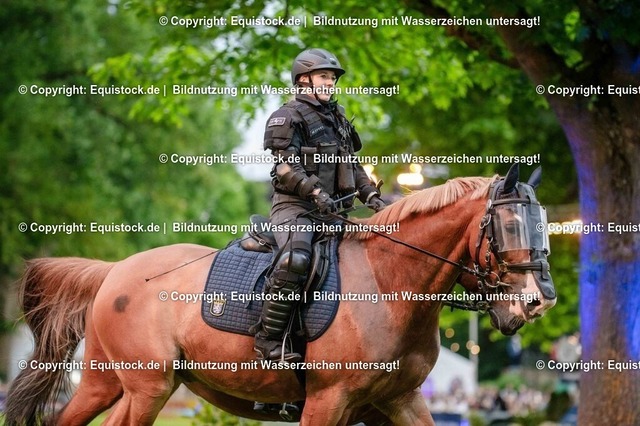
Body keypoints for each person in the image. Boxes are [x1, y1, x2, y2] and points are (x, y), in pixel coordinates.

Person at [252, 48, 385, 362]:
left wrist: (371, 196)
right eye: (324, 76)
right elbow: (285, 167)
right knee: (296, 258)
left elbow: (353, 166)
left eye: (332, 78)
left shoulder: (338, 119)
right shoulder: (288, 116)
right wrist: (314, 192)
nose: (330, 82)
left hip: (332, 213)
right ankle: (268, 340)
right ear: (303, 79)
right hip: (294, 209)